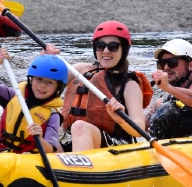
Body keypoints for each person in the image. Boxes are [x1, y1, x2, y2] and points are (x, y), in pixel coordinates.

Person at [61, 21, 153, 151]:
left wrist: (120, 119)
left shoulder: (129, 84)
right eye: (100, 45)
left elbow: (139, 128)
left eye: (113, 46)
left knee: (79, 126)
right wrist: (47, 57)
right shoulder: (81, 70)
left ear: (124, 50)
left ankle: (81, 169)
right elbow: (46, 82)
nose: (106, 51)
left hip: (118, 145)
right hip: (82, 138)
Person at [0, 48, 67, 154]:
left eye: (49, 82)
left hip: (29, 158)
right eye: (39, 79)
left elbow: (50, 149)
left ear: (58, 88)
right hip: (3, 151)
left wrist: (40, 138)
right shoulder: (14, 95)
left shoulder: (53, 115)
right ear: (31, 80)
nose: (42, 85)